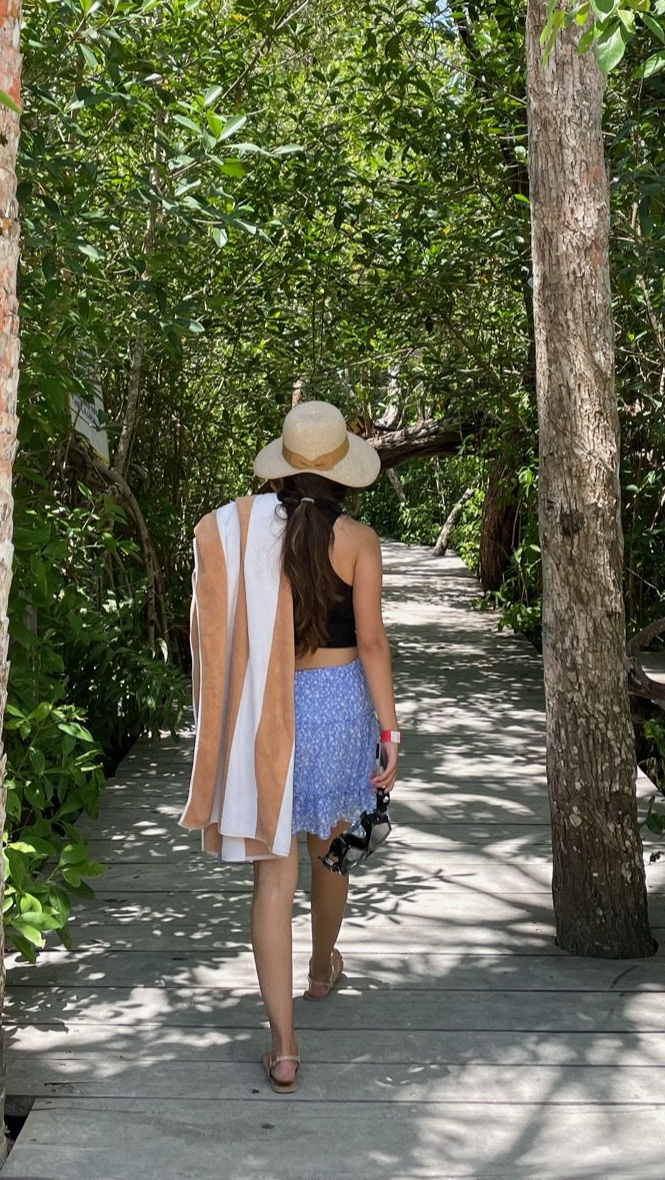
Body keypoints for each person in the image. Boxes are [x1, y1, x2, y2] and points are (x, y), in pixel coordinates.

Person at [179, 400, 402, 1095]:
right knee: (330, 848)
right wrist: (390, 730)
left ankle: (282, 1046)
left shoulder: (245, 534)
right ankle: (321, 964)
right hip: (337, 706)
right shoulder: (358, 540)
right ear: (343, 473)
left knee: (271, 880)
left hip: (263, 709)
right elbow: (369, 643)